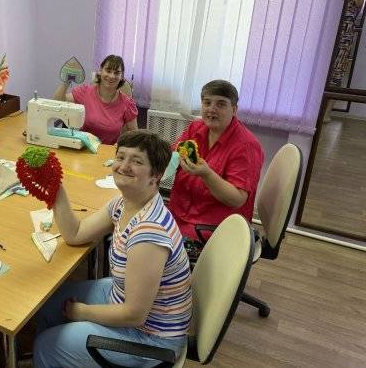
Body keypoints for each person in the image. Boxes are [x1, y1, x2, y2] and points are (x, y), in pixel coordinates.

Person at [34, 130, 192, 367]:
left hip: (150, 338)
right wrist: (56, 188)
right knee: (47, 305)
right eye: (121, 157)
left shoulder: (149, 232)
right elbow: (75, 234)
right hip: (121, 297)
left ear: (155, 176)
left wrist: (82, 312)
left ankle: (55, 355)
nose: (123, 166)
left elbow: (134, 314)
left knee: (46, 345)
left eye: (136, 161)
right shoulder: (124, 202)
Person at [169, 80, 264, 242]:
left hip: (211, 227)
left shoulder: (246, 146)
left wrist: (206, 174)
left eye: (221, 104)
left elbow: (237, 199)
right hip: (178, 212)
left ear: (234, 110)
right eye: (207, 103)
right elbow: (172, 157)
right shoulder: (195, 128)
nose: (211, 109)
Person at [53, 55, 138, 144]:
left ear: (122, 76)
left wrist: (121, 144)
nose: (112, 76)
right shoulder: (84, 92)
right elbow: (59, 101)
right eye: (108, 71)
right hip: (81, 149)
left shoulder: (127, 104)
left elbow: (135, 135)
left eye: (117, 73)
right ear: (101, 70)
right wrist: (67, 81)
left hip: (107, 153)